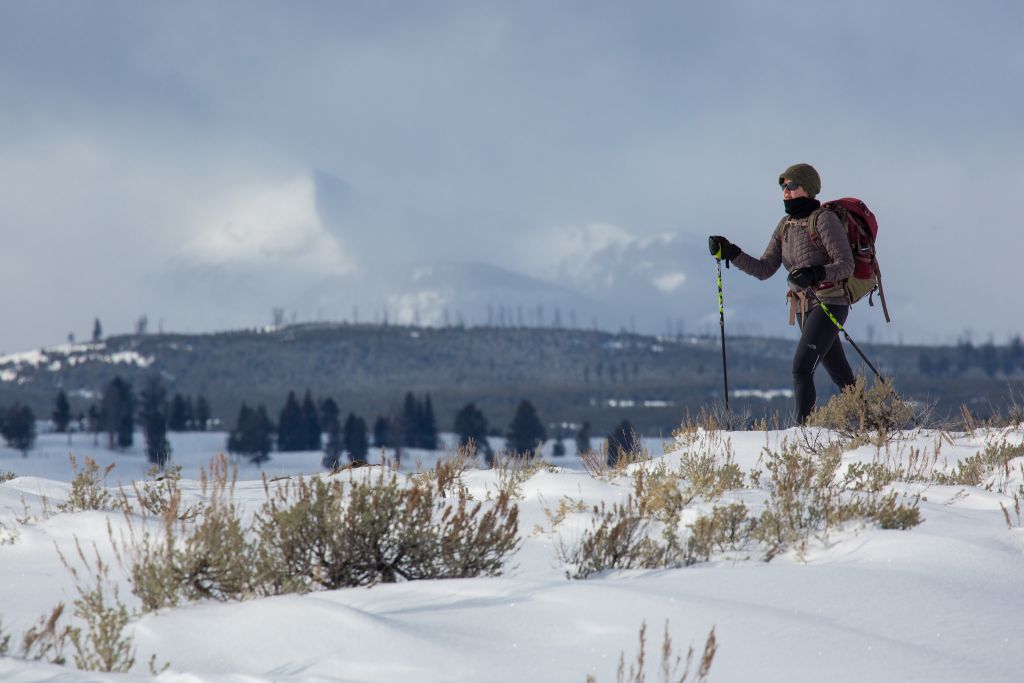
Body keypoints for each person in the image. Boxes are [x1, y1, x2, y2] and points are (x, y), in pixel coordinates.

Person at [708, 163, 855, 424]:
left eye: (791, 186)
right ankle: (875, 424)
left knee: (801, 369)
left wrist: (815, 274)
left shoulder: (824, 219)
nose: (785, 192)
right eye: (782, 187)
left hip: (830, 302)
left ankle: (803, 433)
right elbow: (765, 269)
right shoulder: (785, 225)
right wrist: (732, 252)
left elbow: (846, 264)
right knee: (842, 377)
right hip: (802, 307)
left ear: (807, 189)